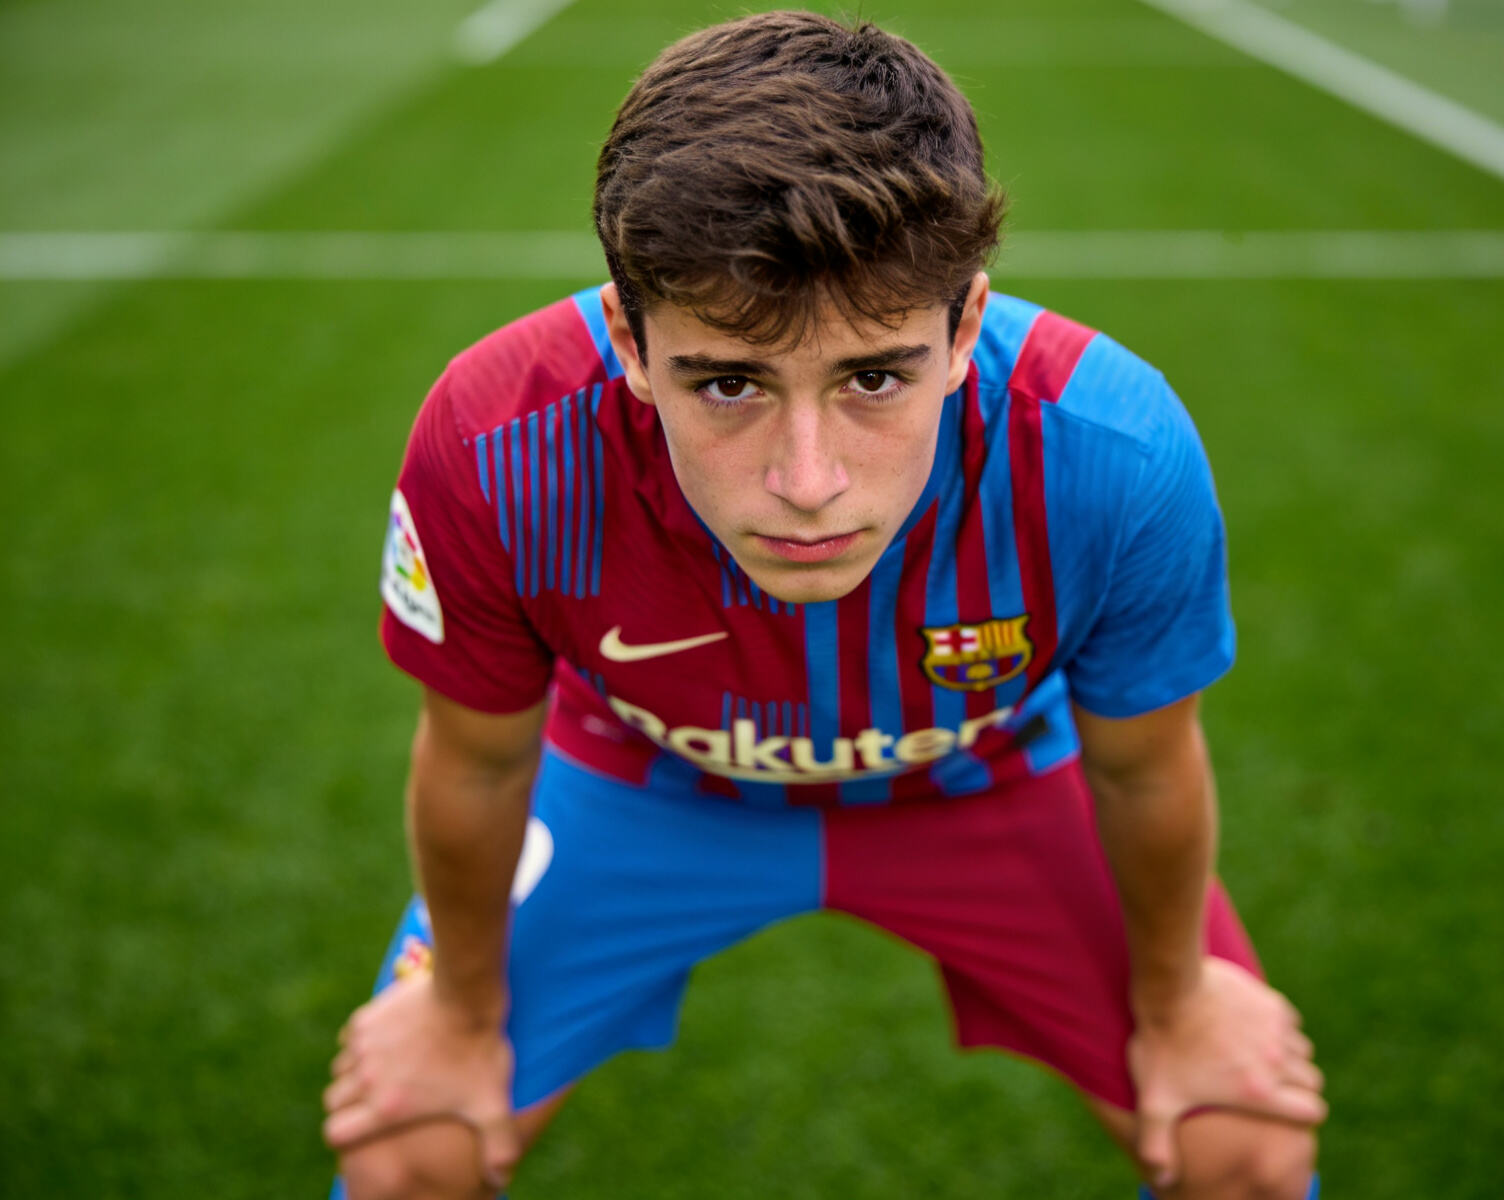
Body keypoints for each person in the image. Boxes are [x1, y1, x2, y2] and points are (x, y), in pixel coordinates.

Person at [323, 11, 1327, 1199]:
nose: (808, 481)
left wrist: (1179, 1004)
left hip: (986, 778)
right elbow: (480, 761)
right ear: (629, 340)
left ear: (964, 327)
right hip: (645, 778)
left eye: (874, 377)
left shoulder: (1108, 447)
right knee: (413, 1150)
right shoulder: (499, 443)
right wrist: (456, 1013)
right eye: (729, 385)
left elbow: (1146, 771)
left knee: (1236, 1144)